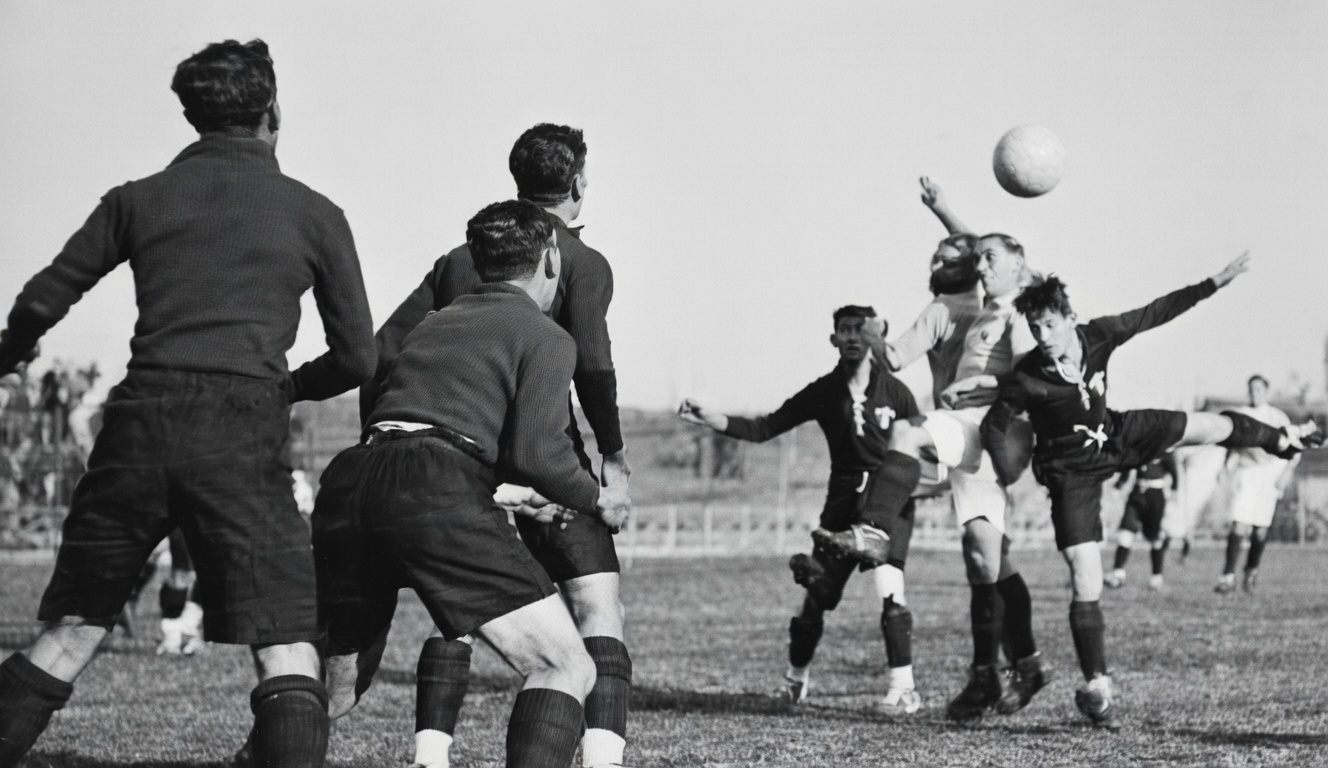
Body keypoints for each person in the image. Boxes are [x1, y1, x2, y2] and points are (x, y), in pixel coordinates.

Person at [0, 39, 375, 768]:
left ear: (192, 115)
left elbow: (45, 295)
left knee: (73, 627)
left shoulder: (136, 200)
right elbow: (361, 357)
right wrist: (286, 386)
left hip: (138, 425)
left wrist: (10, 355)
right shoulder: (314, 214)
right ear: (272, 109)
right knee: (286, 643)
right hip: (242, 429)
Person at [314, 200, 628, 768]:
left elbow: (404, 395)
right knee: (566, 666)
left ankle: (258, 751)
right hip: (432, 487)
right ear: (551, 257)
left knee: (338, 685)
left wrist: (504, 493)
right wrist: (598, 499)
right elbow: (539, 454)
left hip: (353, 478)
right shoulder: (545, 336)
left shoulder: (435, 324)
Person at [980, 256, 1321, 729]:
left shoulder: (1098, 334)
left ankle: (1282, 439)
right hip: (1070, 475)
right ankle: (1097, 685)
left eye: (1050, 325)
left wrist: (1211, 284)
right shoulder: (1028, 378)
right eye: (1035, 328)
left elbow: (1154, 312)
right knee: (1085, 574)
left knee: (1208, 427)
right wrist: (1008, 466)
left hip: (1116, 434)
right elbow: (993, 426)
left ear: (1070, 318)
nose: (1043, 337)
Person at [841, 180, 1050, 723]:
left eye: (987, 259)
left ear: (1015, 266)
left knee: (907, 433)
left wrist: (992, 392)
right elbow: (978, 250)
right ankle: (1013, 667)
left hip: (984, 426)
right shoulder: (979, 307)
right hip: (973, 433)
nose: (978, 264)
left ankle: (874, 530)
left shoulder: (1018, 305)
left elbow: (1032, 368)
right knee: (986, 559)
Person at [679, 305, 924, 714]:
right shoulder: (825, 392)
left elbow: (920, 445)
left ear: (875, 336)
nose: (851, 337)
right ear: (833, 339)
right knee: (817, 596)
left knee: (890, 588)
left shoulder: (896, 391)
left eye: (859, 330)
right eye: (843, 330)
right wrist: (713, 419)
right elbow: (764, 428)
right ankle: (795, 682)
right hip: (842, 503)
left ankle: (904, 690)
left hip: (888, 504)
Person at [1214, 375, 1300, 594]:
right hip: (1246, 473)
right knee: (1238, 523)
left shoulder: (1277, 416)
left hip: (1269, 475)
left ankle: (1251, 572)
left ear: (1266, 391)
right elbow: (1231, 446)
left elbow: (1294, 449)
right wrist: (1226, 467)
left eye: (1259, 389)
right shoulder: (1242, 415)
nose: (1255, 392)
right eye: (1252, 389)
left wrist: (1285, 474)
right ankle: (1227, 576)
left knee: (1260, 529)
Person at [1105, 455, 1179, 590]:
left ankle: (1156, 577)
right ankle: (1118, 574)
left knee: (1155, 538)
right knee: (1125, 533)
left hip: (1155, 498)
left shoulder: (1165, 450)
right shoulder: (1140, 447)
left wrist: (1172, 502)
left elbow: (1175, 476)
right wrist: (1119, 485)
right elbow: (1128, 468)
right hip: (1137, 495)